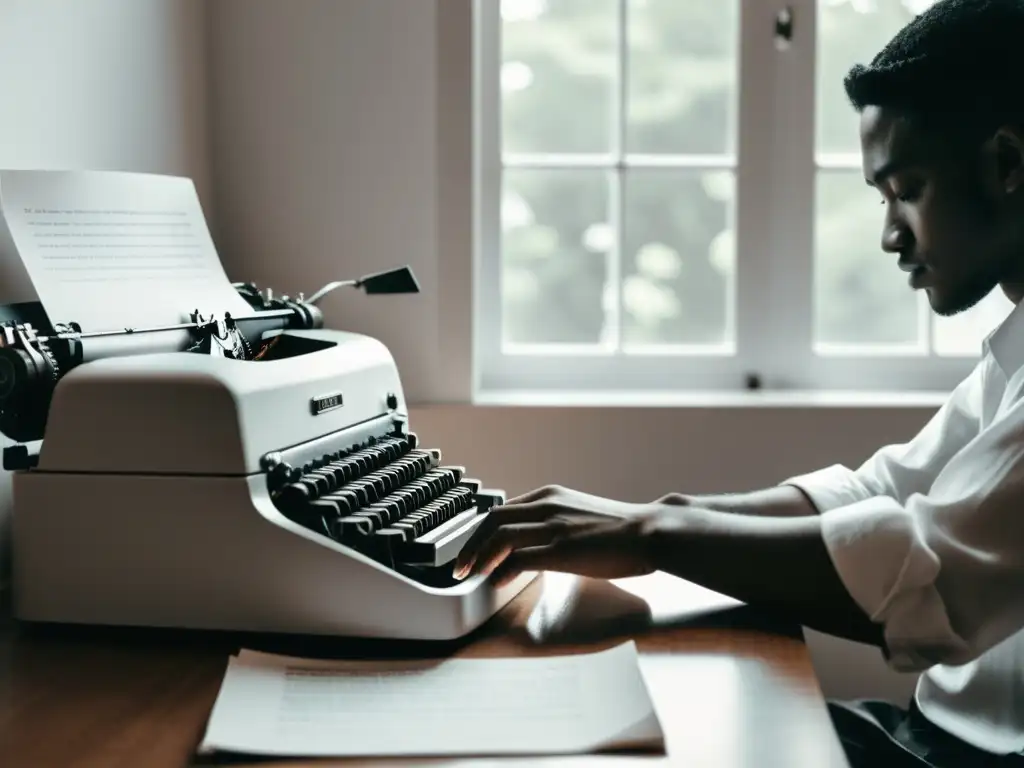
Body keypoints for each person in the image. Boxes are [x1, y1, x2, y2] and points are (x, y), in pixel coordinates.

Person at [454, 1, 1024, 765]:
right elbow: (873, 494)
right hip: (930, 738)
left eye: (908, 188)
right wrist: (654, 516)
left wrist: (649, 536)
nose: (890, 235)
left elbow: (926, 577)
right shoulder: (1012, 350)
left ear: (1008, 165)